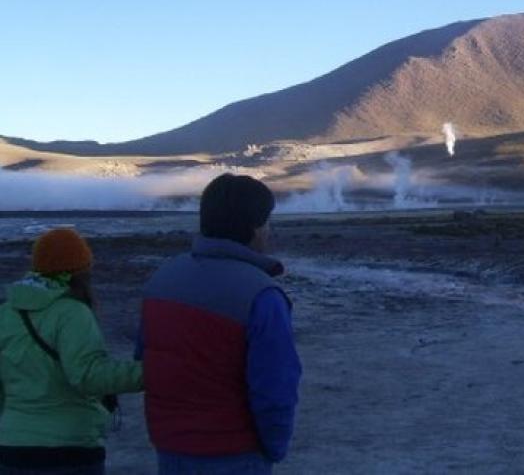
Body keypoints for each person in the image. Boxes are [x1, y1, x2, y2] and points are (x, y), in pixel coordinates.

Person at [138, 173, 301, 473]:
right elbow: (275, 388)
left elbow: (145, 361)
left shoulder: (162, 280)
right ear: (254, 227)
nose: (269, 231)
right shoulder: (262, 295)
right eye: (267, 222)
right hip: (234, 452)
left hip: (171, 449)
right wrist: (274, 447)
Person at [0, 228, 143, 474]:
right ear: (80, 271)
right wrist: (152, 372)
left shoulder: (5, 312)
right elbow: (88, 376)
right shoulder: (72, 312)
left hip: (12, 448)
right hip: (69, 449)